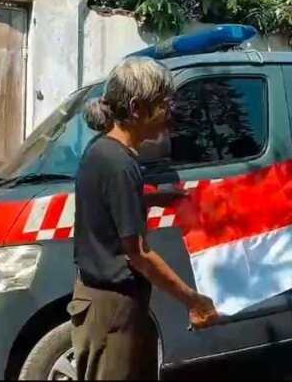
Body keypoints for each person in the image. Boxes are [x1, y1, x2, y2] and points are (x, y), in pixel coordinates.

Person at [68, 57, 219, 380]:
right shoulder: (119, 164)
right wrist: (192, 299)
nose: (169, 114)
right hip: (111, 309)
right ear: (137, 108)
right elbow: (138, 253)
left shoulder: (104, 151)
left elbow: (106, 208)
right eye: (164, 104)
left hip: (113, 304)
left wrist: (151, 198)